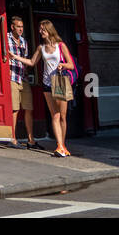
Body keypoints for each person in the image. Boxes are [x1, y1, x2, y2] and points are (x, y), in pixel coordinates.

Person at [13, 19, 76, 157]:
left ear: (49, 30)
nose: (40, 32)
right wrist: (15, 57)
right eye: (40, 29)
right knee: (55, 115)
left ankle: (63, 145)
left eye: (43, 29)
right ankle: (59, 146)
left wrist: (62, 65)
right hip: (47, 83)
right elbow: (31, 62)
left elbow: (71, 64)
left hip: (59, 82)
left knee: (63, 117)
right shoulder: (41, 48)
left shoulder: (61, 46)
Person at [7, 16, 38, 149]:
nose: (21, 29)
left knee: (29, 108)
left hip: (23, 78)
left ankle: (31, 139)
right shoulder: (5, 39)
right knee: (14, 109)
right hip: (12, 77)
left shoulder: (24, 42)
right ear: (12, 27)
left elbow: (25, 59)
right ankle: (12, 138)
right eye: (18, 27)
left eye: (22, 27)